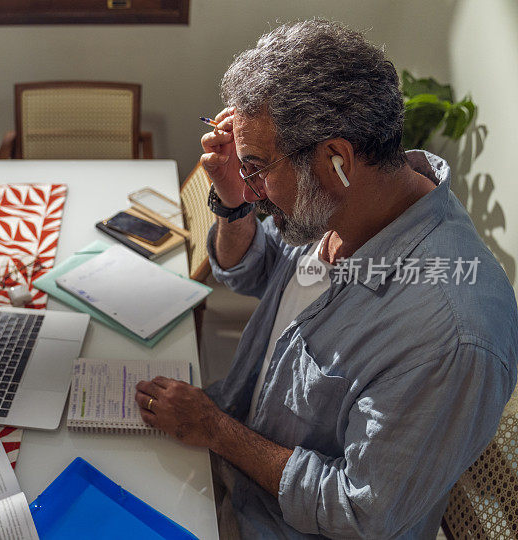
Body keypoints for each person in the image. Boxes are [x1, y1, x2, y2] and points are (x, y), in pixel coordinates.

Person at [134, 19, 518, 538]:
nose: (255, 192)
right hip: (231, 467)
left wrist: (217, 431)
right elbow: (254, 272)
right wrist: (230, 195)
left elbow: (359, 511)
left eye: (258, 169)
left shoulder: (450, 335)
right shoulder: (351, 205)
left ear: (336, 158)